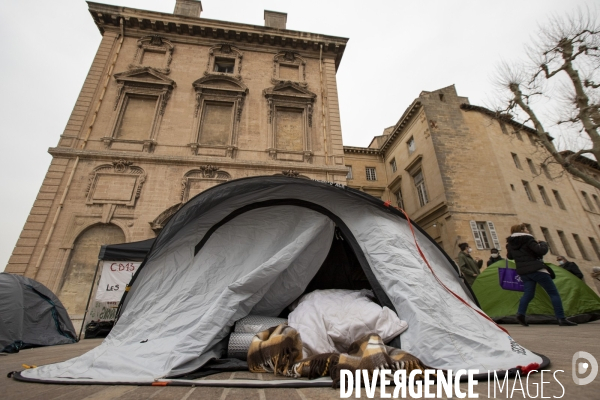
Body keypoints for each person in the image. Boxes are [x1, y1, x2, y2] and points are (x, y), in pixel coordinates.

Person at [506, 223, 576, 326]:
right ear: (521, 230)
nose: (528, 231)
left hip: (524, 272)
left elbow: (510, 257)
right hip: (537, 270)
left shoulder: (510, 244)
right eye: (526, 229)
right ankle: (561, 318)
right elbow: (541, 251)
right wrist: (543, 243)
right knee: (553, 293)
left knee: (528, 294)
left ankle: (520, 313)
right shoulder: (528, 239)